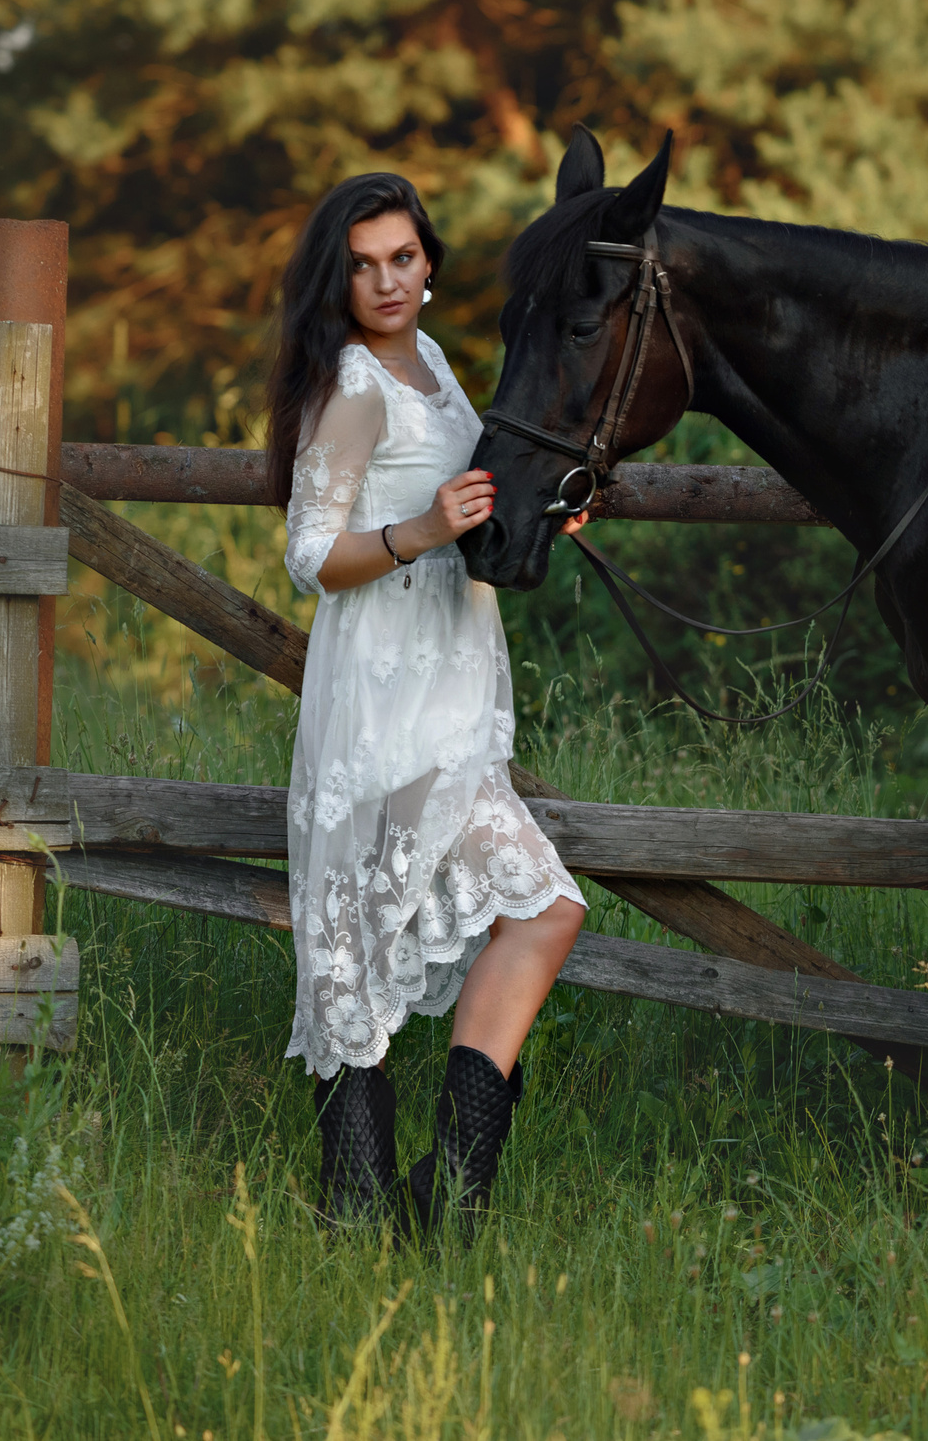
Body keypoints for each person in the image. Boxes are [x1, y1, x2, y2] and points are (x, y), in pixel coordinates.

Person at [264, 173, 589, 1236]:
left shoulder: (438, 366)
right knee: (381, 935)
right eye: (362, 264)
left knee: (538, 910)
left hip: (451, 688)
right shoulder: (356, 382)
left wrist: (530, 513)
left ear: (429, 261)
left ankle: (435, 1193)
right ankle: (386, 1198)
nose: (386, 279)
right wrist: (423, 531)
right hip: (382, 699)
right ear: (339, 278)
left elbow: (470, 495)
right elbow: (311, 553)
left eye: (402, 256)